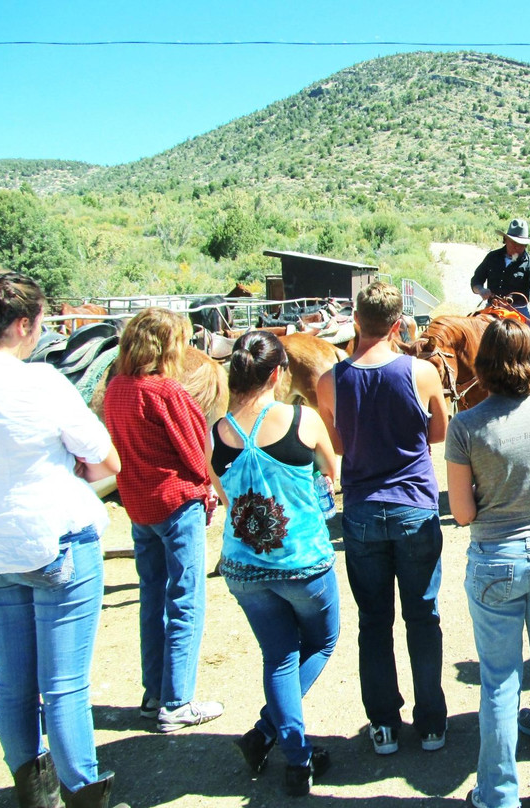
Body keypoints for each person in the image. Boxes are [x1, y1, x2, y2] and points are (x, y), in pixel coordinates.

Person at [0, 272, 127, 808]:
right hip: (57, 539)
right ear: (25, 324)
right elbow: (105, 461)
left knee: (13, 681)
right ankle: (81, 790)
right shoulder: (43, 384)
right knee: (64, 683)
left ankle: (33, 789)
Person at [445, 318, 530, 808]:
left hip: (495, 559)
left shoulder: (465, 425)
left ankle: (499, 792)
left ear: (483, 364)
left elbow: (461, 513)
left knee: (500, 682)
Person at [316, 281, 450, 755]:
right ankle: (431, 721)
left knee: (374, 621)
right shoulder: (421, 372)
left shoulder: (330, 380)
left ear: (355, 320)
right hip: (414, 505)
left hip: (362, 510)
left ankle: (384, 725)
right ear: (398, 325)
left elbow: (335, 443)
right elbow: (438, 431)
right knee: (422, 616)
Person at [207, 331, 340, 797]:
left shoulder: (217, 433)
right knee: (323, 642)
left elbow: (226, 497)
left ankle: (294, 757)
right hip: (303, 563)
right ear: (278, 373)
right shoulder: (301, 419)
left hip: (244, 569)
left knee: (279, 656)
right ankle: (271, 732)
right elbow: (332, 470)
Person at [103, 307, 224, 732]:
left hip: (139, 506)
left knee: (151, 597)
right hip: (175, 505)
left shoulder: (115, 387)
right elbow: (196, 455)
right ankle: (177, 702)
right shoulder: (167, 392)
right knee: (186, 599)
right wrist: (208, 489)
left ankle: (153, 692)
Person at [470, 218, 530, 321]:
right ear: (505, 240)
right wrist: (481, 290)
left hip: (518, 311)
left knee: (528, 336)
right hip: (492, 308)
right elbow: (476, 280)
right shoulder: (492, 257)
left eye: (521, 244)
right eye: (513, 243)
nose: (517, 247)